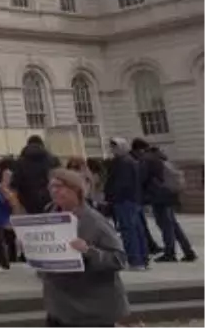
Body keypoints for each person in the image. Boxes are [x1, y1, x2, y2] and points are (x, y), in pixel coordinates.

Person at [42, 168, 129, 328]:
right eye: (51, 187)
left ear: (76, 189)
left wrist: (88, 251)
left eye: (59, 186)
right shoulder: (50, 215)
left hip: (91, 309)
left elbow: (119, 259)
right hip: (60, 305)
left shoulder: (94, 221)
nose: (54, 191)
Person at [103, 137, 146, 270]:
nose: (112, 150)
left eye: (114, 147)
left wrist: (111, 196)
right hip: (132, 199)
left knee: (129, 230)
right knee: (136, 230)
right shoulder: (130, 161)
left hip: (124, 200)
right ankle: (142, 258)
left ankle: (135, 260)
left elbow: (121, 184)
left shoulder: (123, 163)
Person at [12, 135, 60, 215]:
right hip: (49, 197)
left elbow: (15, 183)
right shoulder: (53, 160)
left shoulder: (20, 161)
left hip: (28, 200)